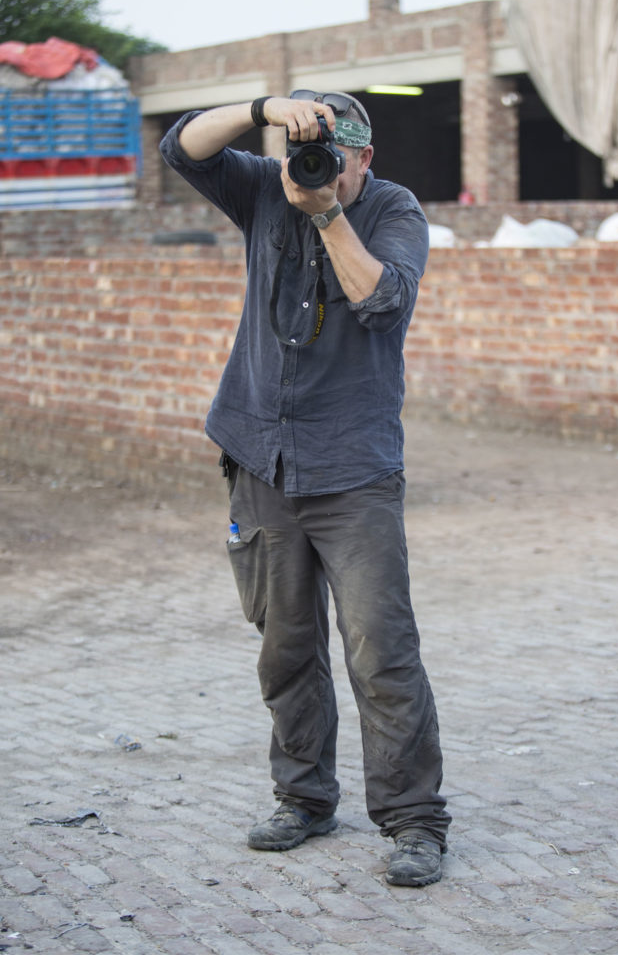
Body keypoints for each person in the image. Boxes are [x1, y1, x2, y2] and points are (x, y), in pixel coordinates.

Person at [160, 91, 451, 887]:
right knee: (285, 647)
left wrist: (326, 215)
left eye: (338, 161)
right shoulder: (263, 183)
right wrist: (262, 106)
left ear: (364, 159)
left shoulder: (393, 211)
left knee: (380, 652)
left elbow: (383, 301)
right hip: (260, 457)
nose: (320, 171)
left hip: (353, 468)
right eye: (309, 156)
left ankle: (415, 821)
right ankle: (303, 799)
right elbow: (182, 148)